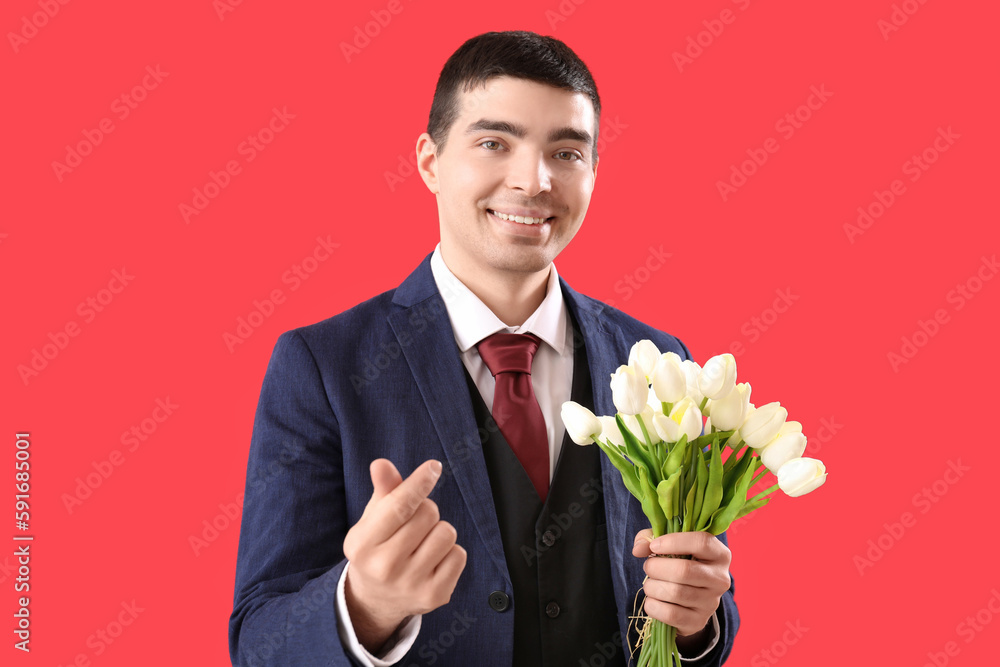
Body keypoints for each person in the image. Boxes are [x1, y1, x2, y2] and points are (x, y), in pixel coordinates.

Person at [229, 30, 738, 667]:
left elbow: (698, 592)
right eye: (494, 143)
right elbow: (257, 641)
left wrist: (697, 626)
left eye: (567, 152)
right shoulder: (322, 366)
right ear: (429, 161)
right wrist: (363, 606)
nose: (533, 180)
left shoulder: (658, 358)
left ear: (593, 172)